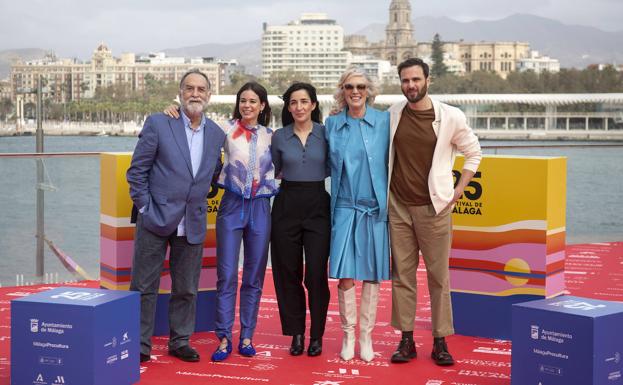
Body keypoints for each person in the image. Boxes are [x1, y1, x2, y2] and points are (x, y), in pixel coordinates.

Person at [164, 81, 278, 361]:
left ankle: (247, 335)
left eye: (253, 101)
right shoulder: (224, 130)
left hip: (261, 208)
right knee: (226, 275)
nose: (247, 106)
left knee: (253, 277)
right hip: (231, 207)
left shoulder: (273, 136)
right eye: (243, 101)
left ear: (262, 105)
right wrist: (173, 111)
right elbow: (193, 129)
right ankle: (224, 338)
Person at [127, 69, 226, 363]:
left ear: (209, 95)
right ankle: (140, 345)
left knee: (186, 289)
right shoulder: (159, 123)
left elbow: (216, 173)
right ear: (180, 93)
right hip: (155, 219)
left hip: (193, 221)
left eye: (201, 89)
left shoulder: (217, 135)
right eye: (189, 88)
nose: (195, 93)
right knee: (144, 286)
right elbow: (137, 171)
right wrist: (145, 207)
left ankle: (180, 341)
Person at [387, 58, 482, 365]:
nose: (410, 86)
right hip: (399, 206)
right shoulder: (392, 114)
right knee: (403, 276)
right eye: (405, 81)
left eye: (416, 79)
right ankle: (406, 341)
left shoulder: (450, 116)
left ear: (428, 80)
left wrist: (458, 191)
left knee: (438, 277)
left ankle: (440, 342)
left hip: (434, 208)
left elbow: (473, 152)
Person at [325, 68, 390, 362]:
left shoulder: (384, 121)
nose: (355, 91)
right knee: (347, 275)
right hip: (343, 208)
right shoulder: (332, 124)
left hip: (374, 209)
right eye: (350, 86)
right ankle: (348, 334)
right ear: (342, 90)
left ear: (369, 90)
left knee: (373, 274)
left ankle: (367, 336)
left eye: (361, 86)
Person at [270, 82, 330, 357]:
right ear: (288, 107)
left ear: (314, 105)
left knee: (316, 273)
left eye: (304, 101)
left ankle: (316, 335)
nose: (299, 107)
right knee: (287, 273)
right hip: (286, 206)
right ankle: (296, 333)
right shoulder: (279, 137)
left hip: (318, 205)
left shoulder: (326, 134)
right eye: (293, 102)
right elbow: (273, 170)